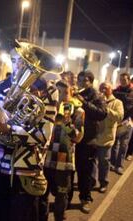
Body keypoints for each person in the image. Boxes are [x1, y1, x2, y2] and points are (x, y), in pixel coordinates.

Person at [0, 49, 59, 221]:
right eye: (14, 59)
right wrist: (0, 108)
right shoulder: (1, 86)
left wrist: (9, 129)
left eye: (24, 61)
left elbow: (43, 135)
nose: (18, 64)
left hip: (27, 168)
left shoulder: (48, 91)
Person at [39, 80, 84, 221]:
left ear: (69, 92)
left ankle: (59, 217)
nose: (58, 96)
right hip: (44, 157)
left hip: (64, 161)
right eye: (56, 92)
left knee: (61, 194)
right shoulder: (46, 107)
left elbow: (77, 137)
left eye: (63, 92)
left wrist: (64, 121)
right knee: (42, 193)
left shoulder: (78, 110)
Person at [74, 71, 107, 214]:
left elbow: (101, 114)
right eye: (79, 79)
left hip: (87, 140)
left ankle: (85, 199)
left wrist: (84, 102)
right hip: (71, 138)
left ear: (91, 81)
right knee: (68, 171)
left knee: (84, 172)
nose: (81, 82)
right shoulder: (74, 93)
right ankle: (65, 200)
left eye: (85, 80)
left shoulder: (97, 95)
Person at [93, 82, 123, 192]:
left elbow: (119, 117)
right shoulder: (96, 100)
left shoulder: (117, 102)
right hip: (94, 136)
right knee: (92, 161)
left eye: (105, 88)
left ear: (111, 90)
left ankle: (103, 182)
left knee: (103, 162)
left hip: (106, 137)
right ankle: (92, 181)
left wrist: (106, 108)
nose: (103, 90)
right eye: (101, 88)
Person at [112, 73, 133, 171]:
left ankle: (119, 166)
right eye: (121, 79)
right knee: (115, 144)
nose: (122, 81)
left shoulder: (132, 91)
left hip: (128, 121)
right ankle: (112, 164)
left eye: (124, 79)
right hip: (117, 121)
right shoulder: (116, 91)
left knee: (124, 145)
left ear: (128, 80)